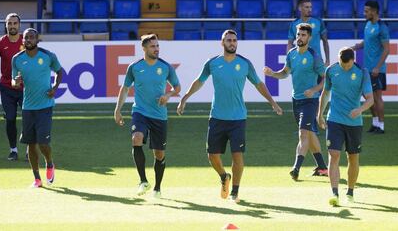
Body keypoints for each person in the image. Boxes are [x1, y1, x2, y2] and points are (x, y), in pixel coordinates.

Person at [177, 29, 282, 203]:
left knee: (237, 155)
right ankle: (224, 176)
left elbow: (258, 84)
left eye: (234, 40)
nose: (232, 43)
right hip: (217, 116)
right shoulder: (212, 63)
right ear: (222, 43)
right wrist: (185, 98)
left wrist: (272, 102)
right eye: (228, 40)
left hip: (238, 118)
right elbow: (199, 81)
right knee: (212, 156)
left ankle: (235, 191)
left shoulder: (245, 63)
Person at [114, 34, 181, 198]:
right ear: (144, 48)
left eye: (158, 46)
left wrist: (168, 95)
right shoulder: (135, 67)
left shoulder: (165, 67)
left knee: (159, 154)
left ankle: (157, 188)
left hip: (159, 115)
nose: (156, 49)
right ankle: (143, 181)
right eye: (153, 46)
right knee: (136, 138)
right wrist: (118, 109)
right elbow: (125, 88)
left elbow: (177, 87)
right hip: (140, 112)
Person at [264, 23, 328, 181]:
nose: (299, 38)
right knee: (311, 134)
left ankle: (296, 168)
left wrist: (314, 90)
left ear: (310, 38)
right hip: (296, 100)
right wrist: (273, 74)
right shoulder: (291, 54)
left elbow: (326, 79)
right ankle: (322, 167)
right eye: (298, 35)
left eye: (303, 35)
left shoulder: (314, 56)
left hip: (310, 101)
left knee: (303, 133)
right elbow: (285, 73)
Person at [317, 47, 373, 206]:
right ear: (339, 59)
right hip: (334, 119)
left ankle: (350, 191)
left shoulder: (362, 72)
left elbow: (370, 99)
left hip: (354, 123)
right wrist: (319, 114)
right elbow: (325, 93)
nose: (345, 68)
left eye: (348, 65)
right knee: (333, 154)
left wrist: (360, 109)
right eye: (342, 64)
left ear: (353, 60)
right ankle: (334, 192)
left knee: (353, 157)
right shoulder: (331, 70)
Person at [12, 28, 62, 188]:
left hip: (45, 106)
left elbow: (60, 72)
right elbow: (13, 81)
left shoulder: (48, 56)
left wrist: (54, 88)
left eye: (31, 37)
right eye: (26, 38)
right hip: (27, 107)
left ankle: (49, 163)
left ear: (37, 40)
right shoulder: (17, 59)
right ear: (22, 40)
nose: (28, 40)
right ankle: (37, 179)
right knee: (30, 144)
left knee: (43, 143)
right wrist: (16, 82)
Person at [0, 13, 24, 160]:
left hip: (25, 88)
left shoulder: (26, 41)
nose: (12, 26)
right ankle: (13, 150)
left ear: (19, 25)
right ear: (6, 25)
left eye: (15, 23)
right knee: (10, 118)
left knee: (29, 118)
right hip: (7, 88)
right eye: (10, 23)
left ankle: (29, 149)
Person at [352, 0, 390, 134]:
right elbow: (367, 41)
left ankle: (381, 126)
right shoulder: (368, 25)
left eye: (367, 11)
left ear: (374, 11)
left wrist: (378, 67)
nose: (364, 13)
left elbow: (386, 49)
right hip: (366, 69)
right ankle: (375, 123)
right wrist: (357, 47)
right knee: (368, 96)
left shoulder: (382, 27)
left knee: (377, 97)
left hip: (376, 70)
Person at [288, 0, 330, 67]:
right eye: (307, 7)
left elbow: (325, 41)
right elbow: (290, 44)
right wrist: (289, 60)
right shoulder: (294, 24)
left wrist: (327, 60)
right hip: (300, 61)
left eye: (310, 7)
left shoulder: (318, 22)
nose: (310, 9)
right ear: (300, 8)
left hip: (317, 62)